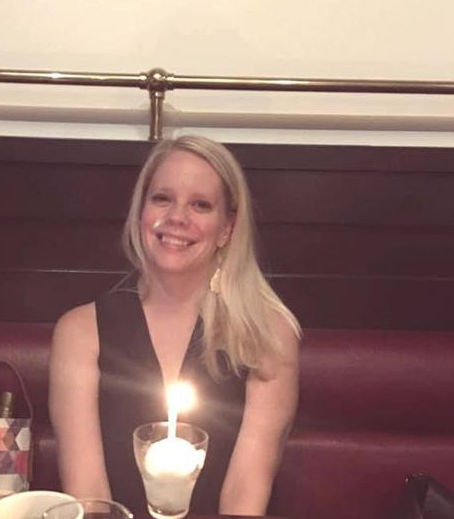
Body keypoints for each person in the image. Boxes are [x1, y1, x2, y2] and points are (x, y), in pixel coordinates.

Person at [49, 135, 300, 516]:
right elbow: (90, 498)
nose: (177, 217)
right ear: (141, 212)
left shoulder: (267, 334)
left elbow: (244, 497)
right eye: (162, 198)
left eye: (201, 204)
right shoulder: (80, 333)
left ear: (227, 228)